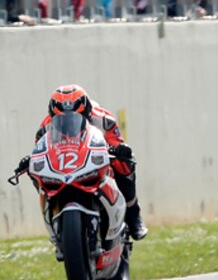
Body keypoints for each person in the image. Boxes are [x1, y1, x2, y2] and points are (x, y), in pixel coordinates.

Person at [15, 85, 148, 240]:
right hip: (64, 168)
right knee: (36, 172)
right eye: (63, 118)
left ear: (87, 112)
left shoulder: (105, 121)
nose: (69, 122)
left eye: (74, 116)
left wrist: (119, 150)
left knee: (124, 163)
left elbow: (116, 142)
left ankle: (133, 215)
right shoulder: (44, 128)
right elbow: (41, 150)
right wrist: (30, 161)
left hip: (94, 162)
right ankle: (54, 215)